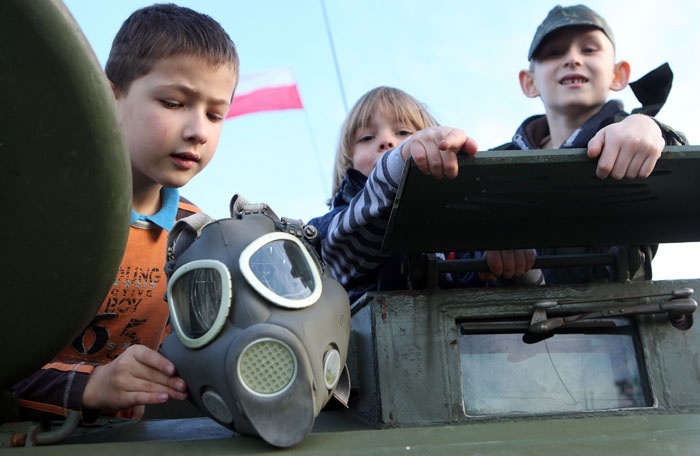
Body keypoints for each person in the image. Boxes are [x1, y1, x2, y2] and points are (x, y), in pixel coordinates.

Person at [11, 4, 239, 423]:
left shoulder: (199, 237)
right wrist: (91, 385)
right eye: (173, 103)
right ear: (110, 95)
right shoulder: (37, 216)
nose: (198, 131)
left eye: (215, 114)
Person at [492, 4, 686, 283]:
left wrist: (651, 128)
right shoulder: (499, 161)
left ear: (618, 75)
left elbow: (678, 162)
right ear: (529, 82)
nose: (572, 59)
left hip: (616, 318)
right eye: (554, 52)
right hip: (504, 321)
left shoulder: (632, 132)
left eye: (589, 50)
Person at [309, 87, 542, 302]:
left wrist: (509, 259)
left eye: (403, 132)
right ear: (348, 161)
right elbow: (347, 243)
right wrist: (401, 158)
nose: (386, 141)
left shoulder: (461, 228)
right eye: (367, 138)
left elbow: (504, 300)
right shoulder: (332, 227)